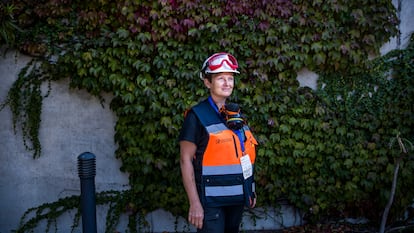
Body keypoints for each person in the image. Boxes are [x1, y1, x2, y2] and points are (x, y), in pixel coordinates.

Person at [179, 52, 258, 233]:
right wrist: (194, 203)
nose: (227, 83)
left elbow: (243, 155)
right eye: (220, 78)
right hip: (210, 203)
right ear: (208, 82)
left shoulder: (236, 115)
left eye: (230, 78)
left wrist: (249, 190)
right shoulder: (196, 116)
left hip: (236, 200)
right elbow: (185, 160)